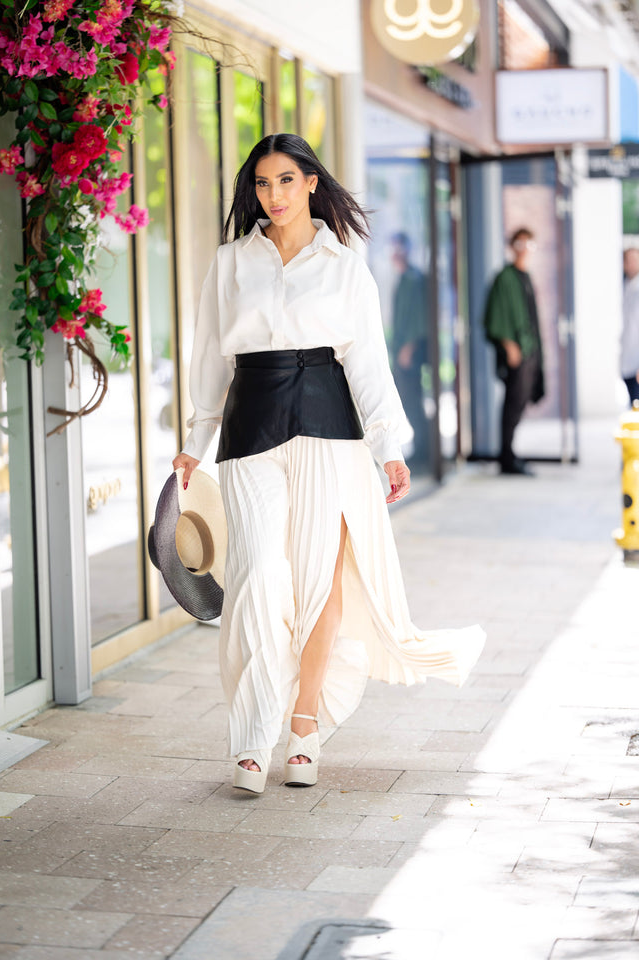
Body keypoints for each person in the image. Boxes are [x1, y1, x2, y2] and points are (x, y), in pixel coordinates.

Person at [172, 133, 485, 794]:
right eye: (262, 184)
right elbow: (208, 358)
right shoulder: (229, 263)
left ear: (311, 182)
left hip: (328, 429)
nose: (273, 195)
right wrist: (195, 439)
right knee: (258, 575)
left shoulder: (344, 266)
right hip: (250, 426)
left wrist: (389, 449)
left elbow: (366, 361)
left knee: (320, 589)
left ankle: (305, 729)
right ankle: (255, 737)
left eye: (286, 180)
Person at [483, 227, 545, 475]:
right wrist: (510, 346)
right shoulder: (505, 278)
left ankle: (509, 454)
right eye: (519, 245)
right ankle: (506, 458)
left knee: (519, 403)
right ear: (511, 247)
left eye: (528, 245)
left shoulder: (526, 276)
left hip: (530, 352)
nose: (523, 251)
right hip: (517, 353)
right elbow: (494, 317)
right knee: (512, 404)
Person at [389, 233, 430, 464]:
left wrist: (408, 348)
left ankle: (425, 451)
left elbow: (417, 319)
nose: (394, 254)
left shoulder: (413, 280)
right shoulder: (404, 279)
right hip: (403, 351)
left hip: (410, 352)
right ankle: (422, 449)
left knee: (413, 400)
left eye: (398, 249)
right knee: (409, 401)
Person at [621, 246, 639, 405]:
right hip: (627, 360)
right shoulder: (625, 286)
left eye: (635, 259)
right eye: (628, 260)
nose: (632, 264)